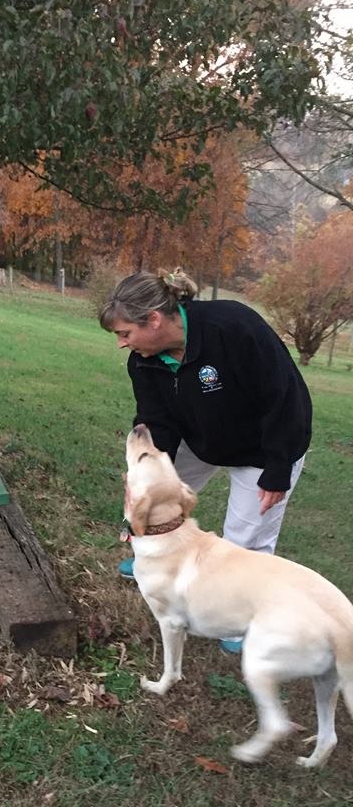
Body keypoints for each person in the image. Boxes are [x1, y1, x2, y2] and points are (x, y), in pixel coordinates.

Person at [100, 268, 312, 652]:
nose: (121, 343)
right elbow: (157, 421)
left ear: (154, 319)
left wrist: (278, 468)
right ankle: (151, 556)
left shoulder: (233, 327)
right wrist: (144, 473)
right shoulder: (144, 361)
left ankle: (241, 619)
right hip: (201, 439)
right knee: (153, 494)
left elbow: (284, 398)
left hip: (263, 448)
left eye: (124, 333)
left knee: (245, 539)